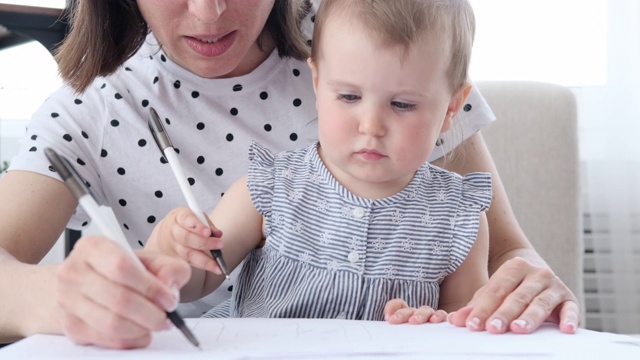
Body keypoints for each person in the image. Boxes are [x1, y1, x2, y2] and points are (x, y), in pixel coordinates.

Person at [0, 0, 578, 350]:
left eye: (401, 107)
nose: (208, 12)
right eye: (347, 97)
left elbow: (507, 256)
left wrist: (516, 292)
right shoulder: (91, 110)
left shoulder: (370, 31)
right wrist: (57, 297)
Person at [146, 0, 493, 324]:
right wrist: (172, 250)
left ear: (451, 107)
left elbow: (465, 322)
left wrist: (434, 322)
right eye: (349, 96)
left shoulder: (458, 218)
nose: (371, 126)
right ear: (317, 83)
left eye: (402, 105)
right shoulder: (272, 186)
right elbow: (203, 276)